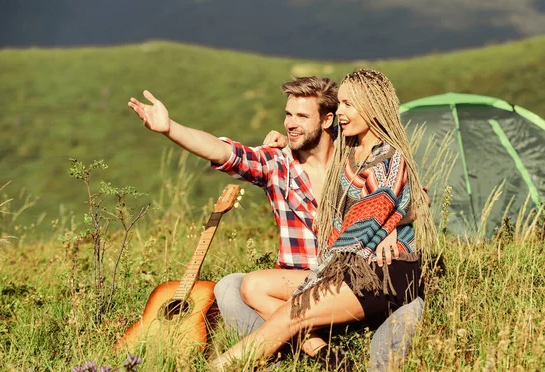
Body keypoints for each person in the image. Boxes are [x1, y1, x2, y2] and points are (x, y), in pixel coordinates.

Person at [127, 75, 426, 369]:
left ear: (326, 120)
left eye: (301, 116)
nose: (290, 124)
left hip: (359, 276)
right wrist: (169, 128)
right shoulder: (277, 164)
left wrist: (393, 227)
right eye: (287, 115)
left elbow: (406, 195)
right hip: (307, 280)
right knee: (234, 286)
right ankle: (318, 352)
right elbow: (224, 152)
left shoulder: (351, 152)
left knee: (406, 310)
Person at [207, 69, 437, 369]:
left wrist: (392, 223)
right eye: (339, 103)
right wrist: (287, 144)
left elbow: (379, 213)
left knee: (289, 317)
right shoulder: (351, 150)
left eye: (347, 105)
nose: (339, 111)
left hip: (377, 274)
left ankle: (220, 367)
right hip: (350, 270)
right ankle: (327, 355)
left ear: (372, 107)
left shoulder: (384, 158)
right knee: (251, 286)